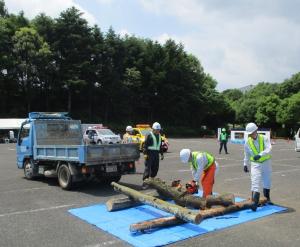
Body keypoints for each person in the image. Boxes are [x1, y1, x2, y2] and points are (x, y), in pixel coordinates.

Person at [243, 122, 273, 211]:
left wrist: (260, 154)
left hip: (266, 162)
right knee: (255, 181)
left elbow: (269, 148)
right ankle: (254, 203)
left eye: (252, 133)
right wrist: (245, 164)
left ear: (256, 130)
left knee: (267, 181)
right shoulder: (247, 142)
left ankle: (267, 199)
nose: (251, 135)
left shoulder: (264, 138)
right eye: (249, 134)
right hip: (255, 164)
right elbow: (246, 154)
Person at [142, 122, 164, 188]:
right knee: (148, 169)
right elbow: (145, 145)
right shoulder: (149, 135)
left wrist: (162, 154)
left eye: (159, 130)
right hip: (149, 153)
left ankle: (151, 181)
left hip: (156, 154)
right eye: (157, 130)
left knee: (155, 168)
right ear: (153, 129)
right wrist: (145, 154)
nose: (158, 131)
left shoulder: (160, 136)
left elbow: (160, 146)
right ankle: (145, 183)